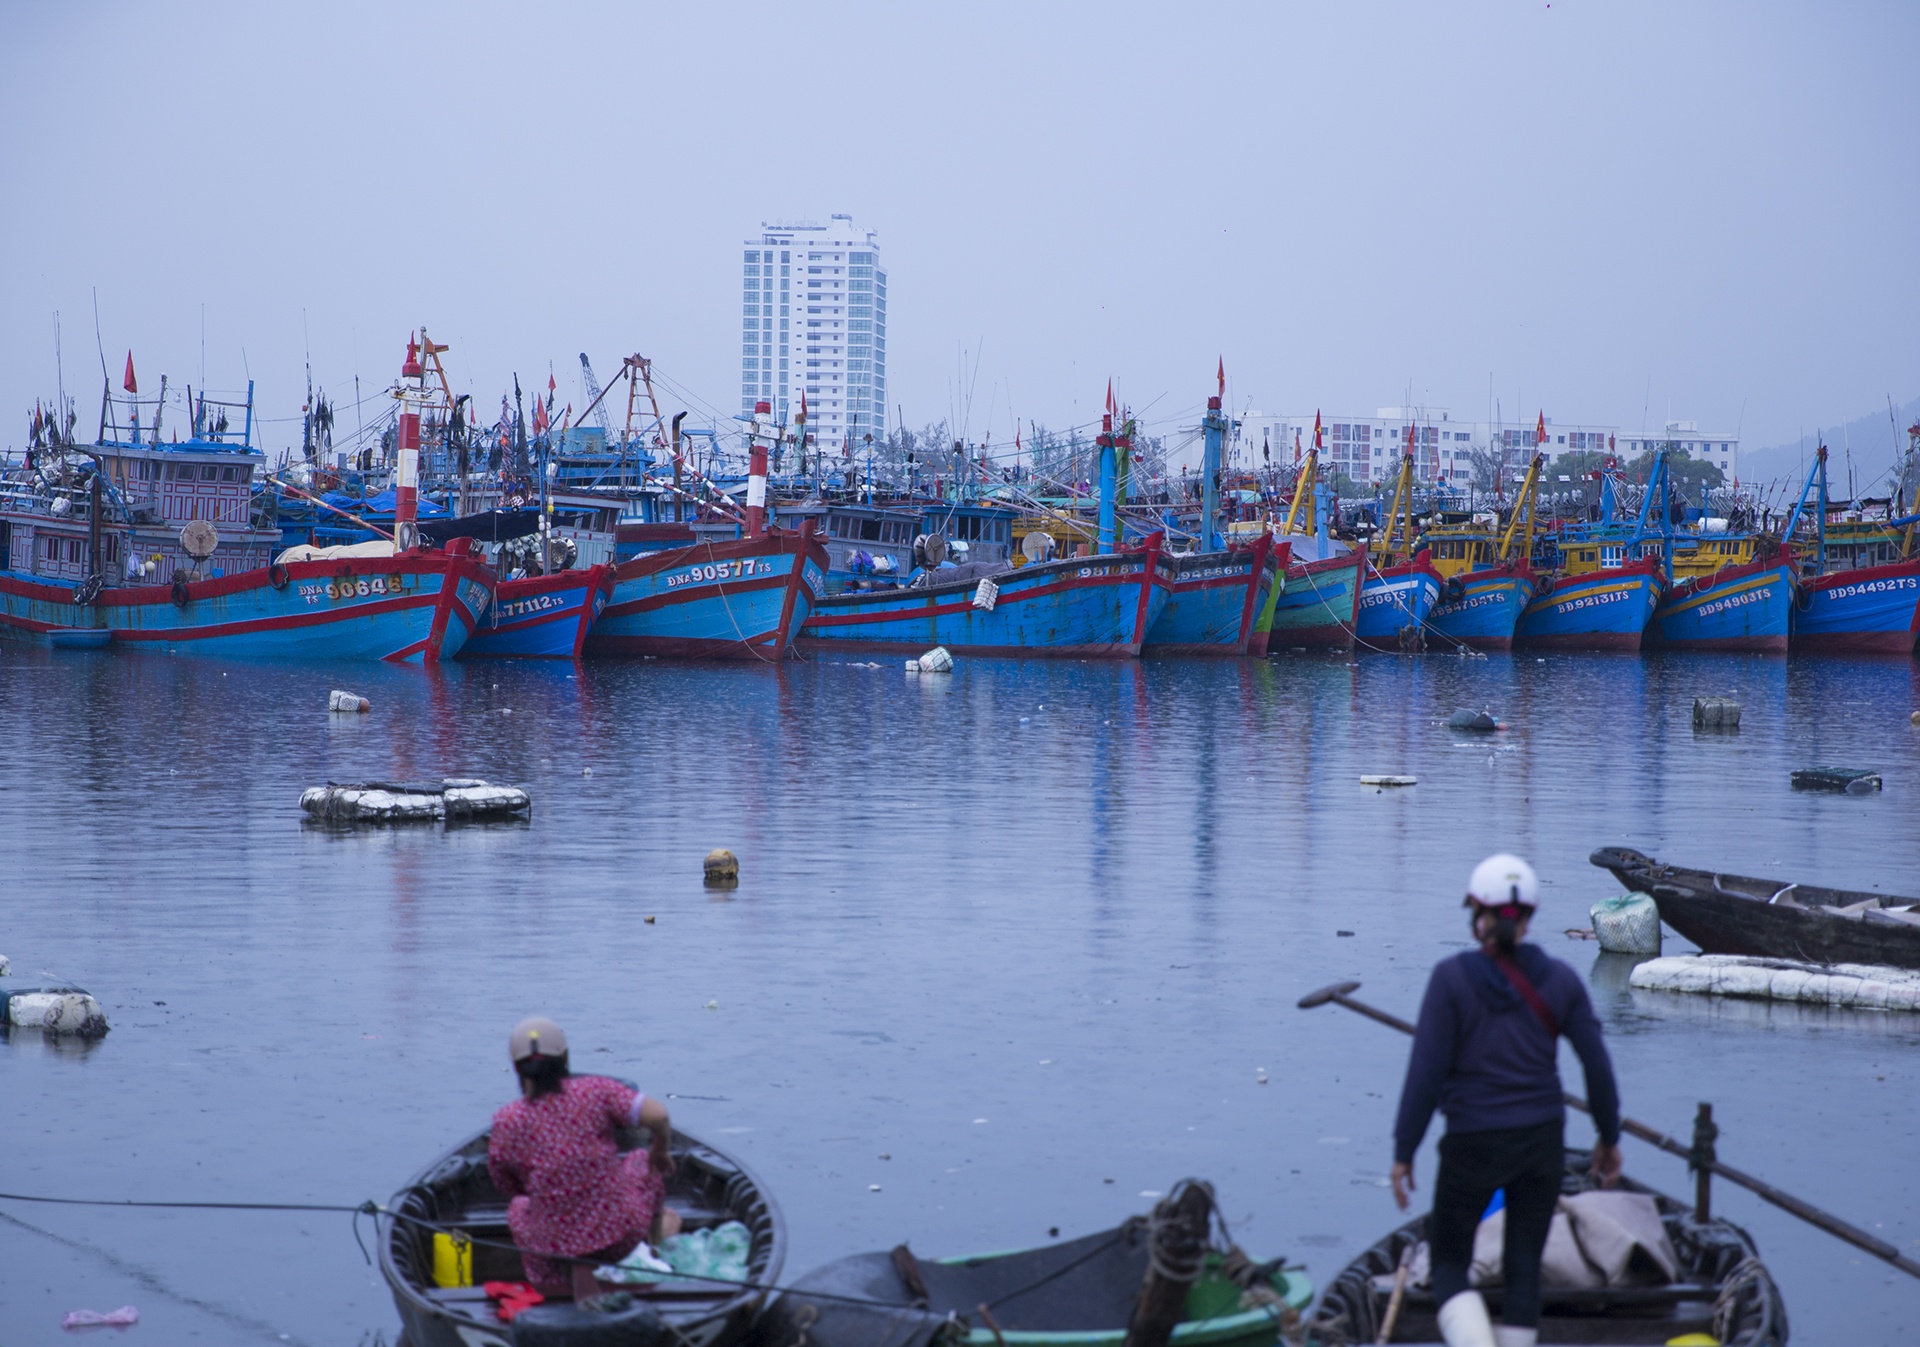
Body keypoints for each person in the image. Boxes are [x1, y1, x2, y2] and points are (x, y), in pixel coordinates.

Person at [1390, 855, 1623, 1347]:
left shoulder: (1450, 980)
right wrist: (1607, 1137)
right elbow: (1597, 1066)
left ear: (1478, 913)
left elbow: (1426, 1076)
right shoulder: (1561, 980)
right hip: (1540, 1143)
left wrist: (1403, 1151)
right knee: (1523, 1273)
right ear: (1531, 915)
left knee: (1450, 1268)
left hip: (1471, 1142)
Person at [487, 1018, 681, 1300]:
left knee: (519, 1207)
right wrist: (660, 1149)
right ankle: (652, 1245)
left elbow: (506, 1185)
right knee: (642, 1159)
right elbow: (659, 1116)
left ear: (517, 1067)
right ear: (564, 1058)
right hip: (620, 1239)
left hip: (552, 1249)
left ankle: (550, 1284)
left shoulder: (507, 1120)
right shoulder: (596, 1091)